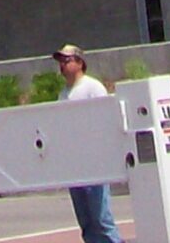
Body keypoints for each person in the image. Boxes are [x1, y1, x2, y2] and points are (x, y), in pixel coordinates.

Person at [54, 44, 123, 243]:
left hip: (95, 163)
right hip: (75, 167)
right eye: (60, 62)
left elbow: (105, 122)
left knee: (101, 219)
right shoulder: (63, 94)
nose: (62, 65)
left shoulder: (93, 88)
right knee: (86, 222)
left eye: (66, 60)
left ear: (79, 62)